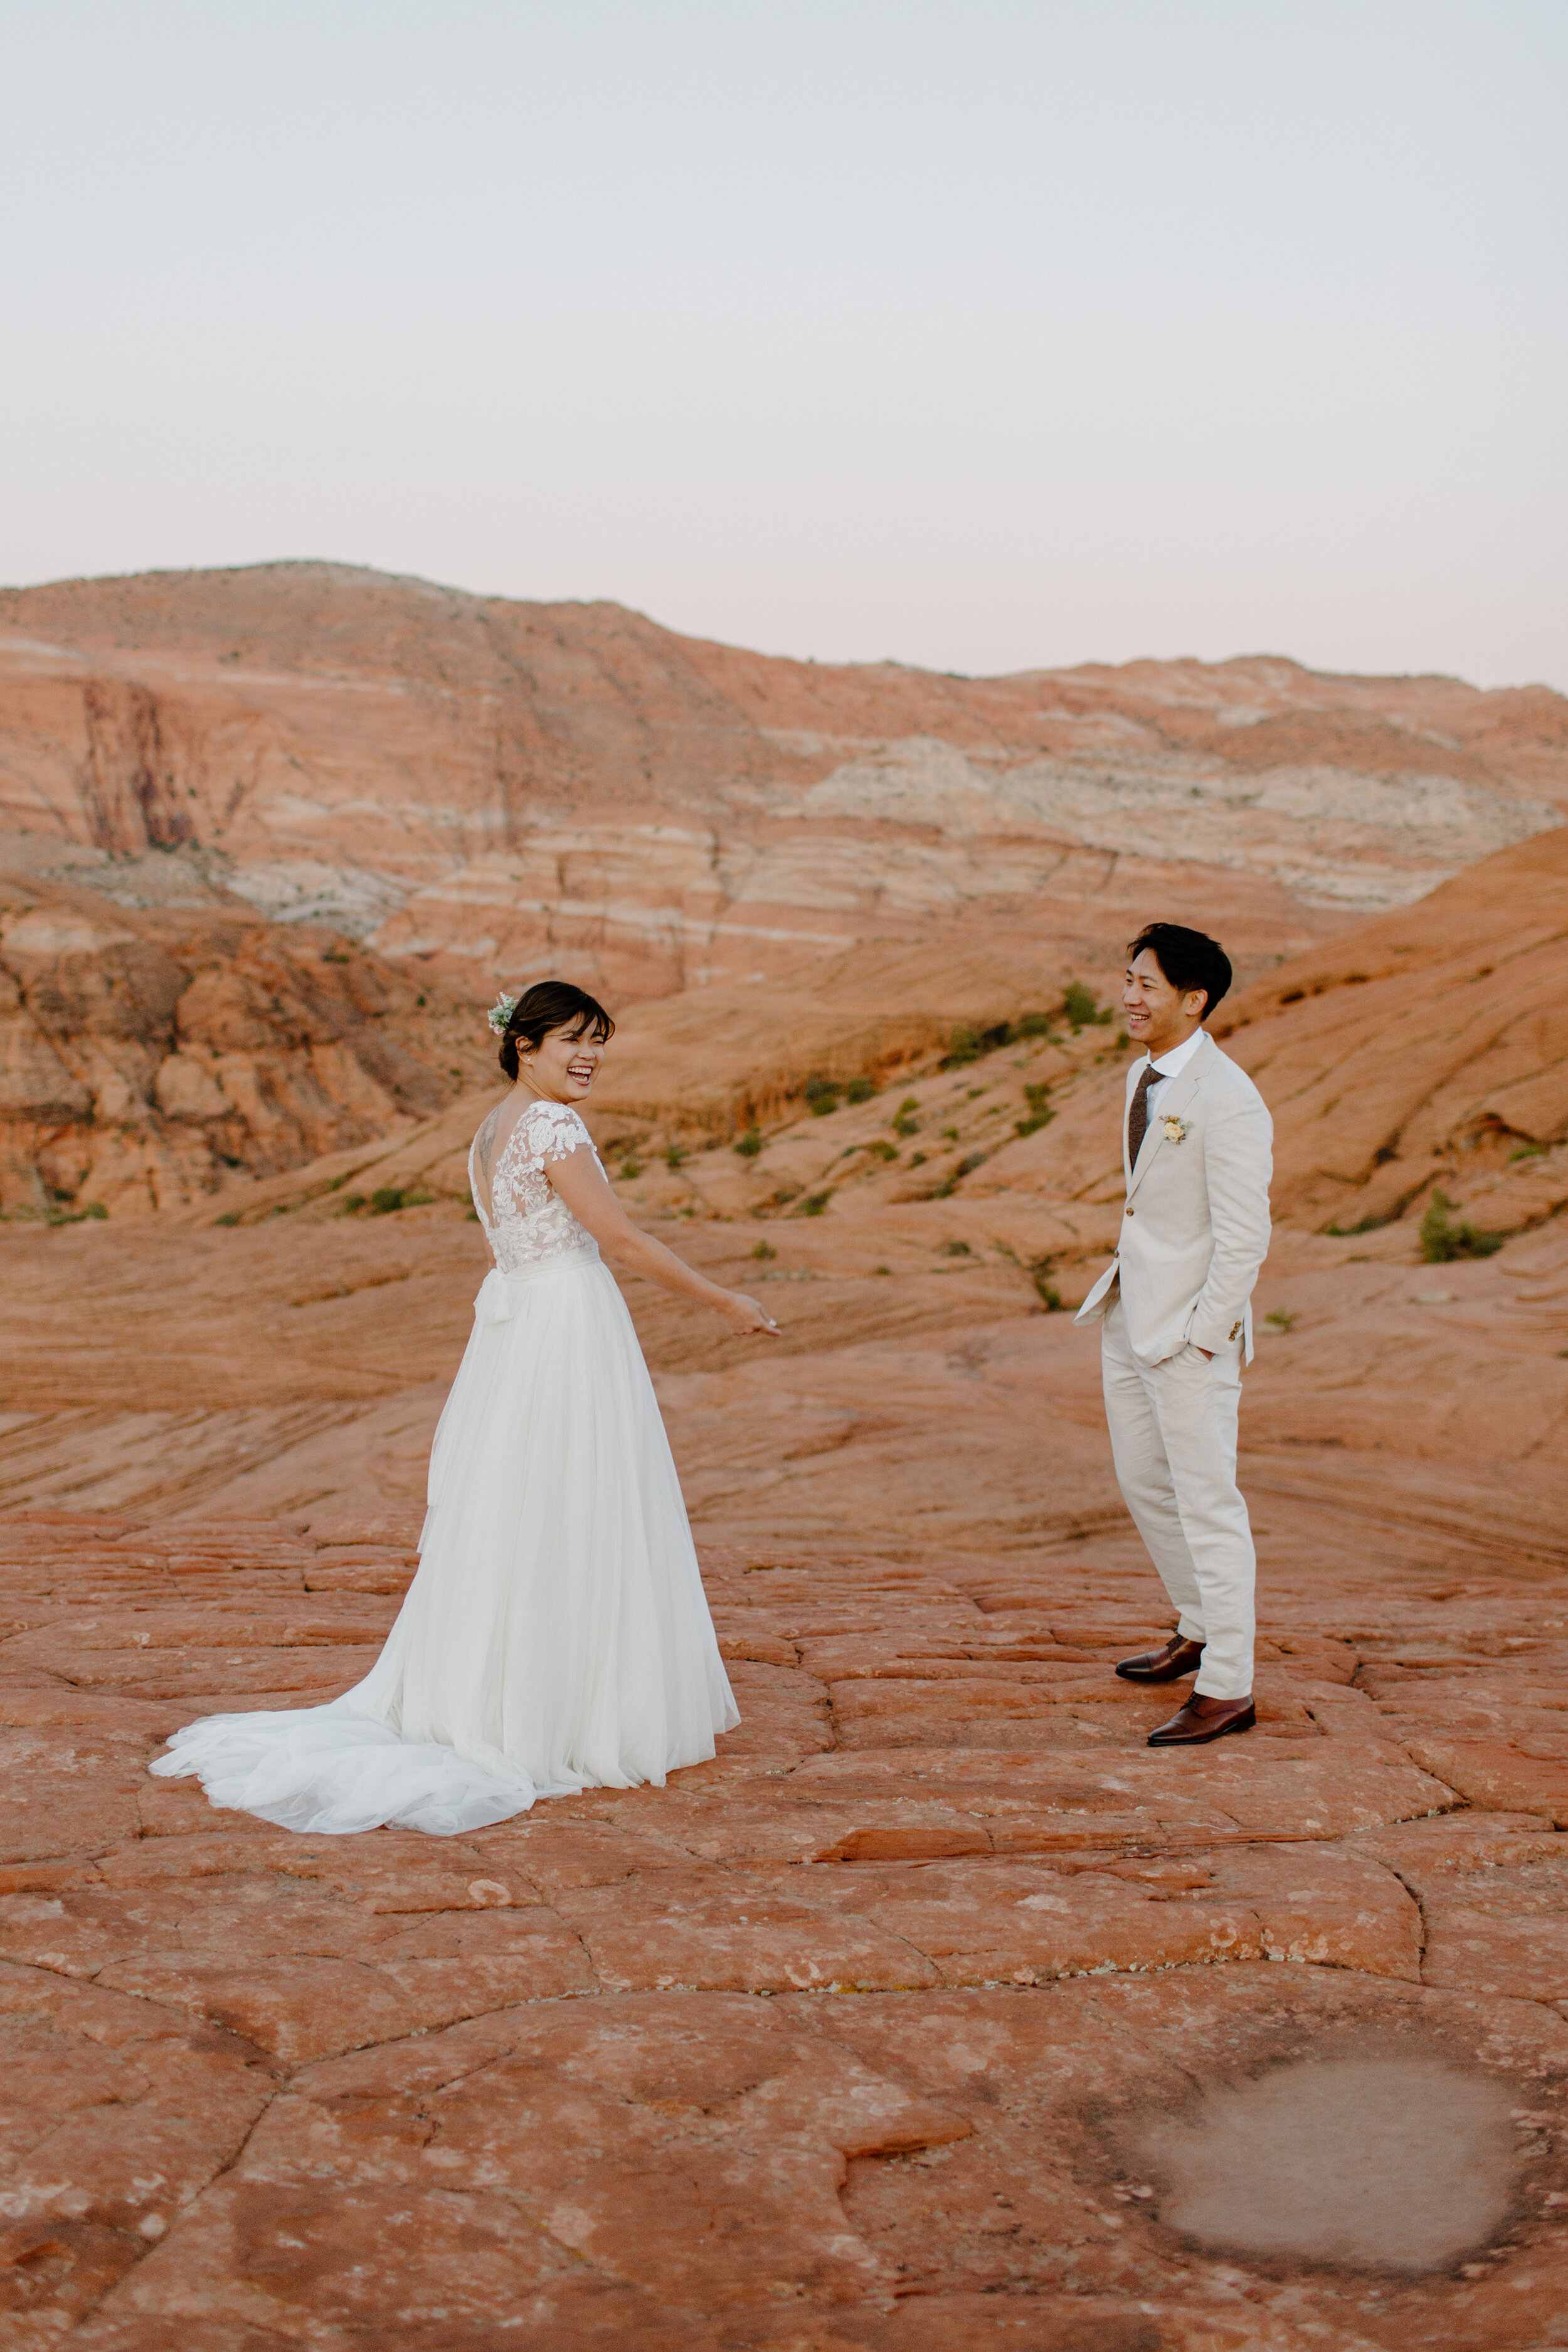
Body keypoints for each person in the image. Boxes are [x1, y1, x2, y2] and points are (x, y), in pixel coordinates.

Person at [152, 979, 779, 1835]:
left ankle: (514, 1695)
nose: (589, 1056)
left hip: (525, 1333)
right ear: (524, 1045)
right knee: (577, 1504)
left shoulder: (491, 1129)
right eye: (572, 1040)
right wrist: (724, 1300)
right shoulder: (556, 1125)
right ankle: (566, 1713)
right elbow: (623, 1238)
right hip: (562, 1328)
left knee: (525, 1511)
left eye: (598, 1041)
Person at [1074, 924, 1273, 1745]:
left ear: (1194, 1000)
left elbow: (1245, 1235)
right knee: (1143, 1482)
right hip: (1131, 1314)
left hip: (1189, 1333)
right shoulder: (1141, 1075)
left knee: (1208, 1503)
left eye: (1147, 985)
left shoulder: (1229, 1098)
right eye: (1128, 979)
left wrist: (1203, 1337)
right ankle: (1198, 1625)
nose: (1129, 996)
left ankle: (1228, 1685)